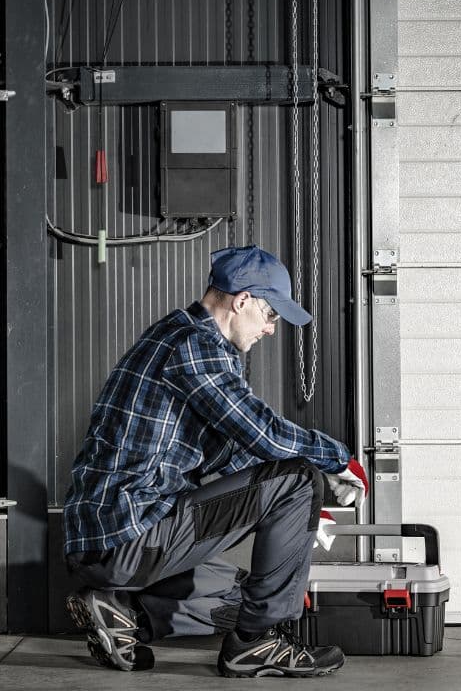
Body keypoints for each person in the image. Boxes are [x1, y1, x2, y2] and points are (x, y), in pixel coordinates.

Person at [62, 245, 367, 678]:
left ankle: (125, 615)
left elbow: (229, 452)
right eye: (270, 315)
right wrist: (336, 461)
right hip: (128, 535)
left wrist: (299, 516)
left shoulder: (178, 336)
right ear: (242, 301)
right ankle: (255, 645)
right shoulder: (194, 345)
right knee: (298, 480)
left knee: (244, 593)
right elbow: (263, 433)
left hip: (116, 539)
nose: (271, 329)